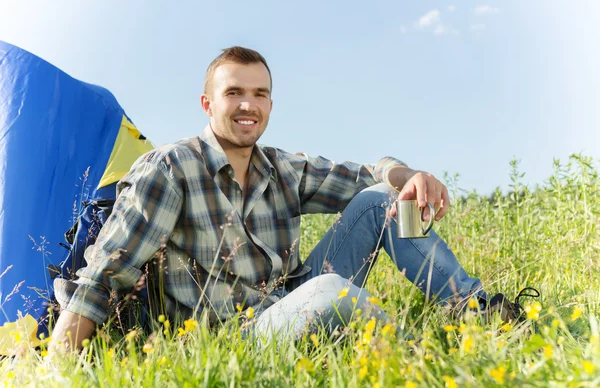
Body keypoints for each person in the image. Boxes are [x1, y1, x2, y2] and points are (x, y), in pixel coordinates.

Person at [50, 46, 526, 351]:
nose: (247, 105)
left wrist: (409, 174)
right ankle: (417, 360)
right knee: (327, 293)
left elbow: (364, 176)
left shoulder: (280, 167)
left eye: (259, 94)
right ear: (207, 103)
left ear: (270, 106)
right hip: (227, 340)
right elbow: (103, 275)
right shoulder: (170, 169)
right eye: (233, 92)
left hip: (287, 301)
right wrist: (56, 366)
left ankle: (480, 313)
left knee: (385, 197)